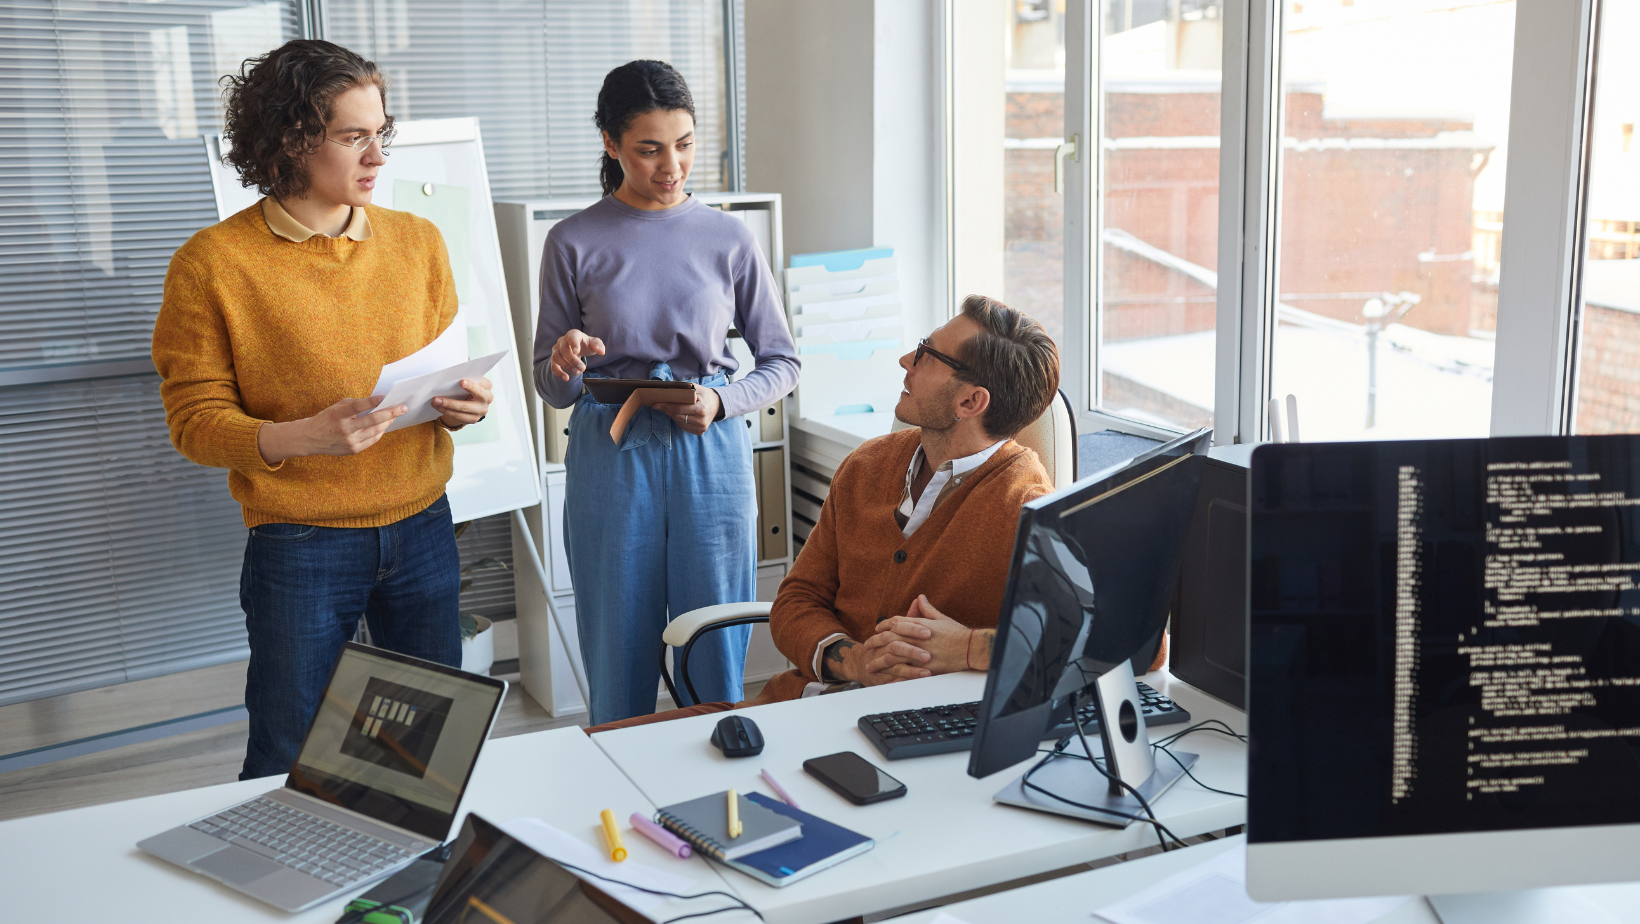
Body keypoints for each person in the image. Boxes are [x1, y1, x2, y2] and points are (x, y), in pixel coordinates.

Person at [585, 295, 1159, 735]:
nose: (906, 360)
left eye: (928, 356)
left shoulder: (1024, 505)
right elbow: (795, 601)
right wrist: (848, 659)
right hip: (794, 712)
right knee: (599, 751)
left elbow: (1133, 646)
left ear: (969, 402)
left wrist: (968, 648)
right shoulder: (869, 465)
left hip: (892, 737)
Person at [151, 40, 491, 779]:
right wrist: (303, 436)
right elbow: (193, 421)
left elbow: (440, 377)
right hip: (299, 543)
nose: (377, 155)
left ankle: (404, 887)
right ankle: (278, 888)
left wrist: (463, 405)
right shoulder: (211, 264)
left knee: (423, 747)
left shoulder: (420, 242)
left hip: (424, 526)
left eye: (382, 133)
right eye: (352, 136)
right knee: (289, 750)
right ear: (291, 141)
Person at [534, 60, 799, 725]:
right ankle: (621, 795)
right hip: (610, 447)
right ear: (611, 143)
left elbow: (782, 362)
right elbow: (553, 387)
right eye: (649, 148)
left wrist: (722, 402)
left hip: (708, 448)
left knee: (713, 638)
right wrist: (564, 361)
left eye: (683, 144)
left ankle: (722, 785)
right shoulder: (571, 241)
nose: (671, 164)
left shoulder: (730, 237)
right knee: (616, 640)